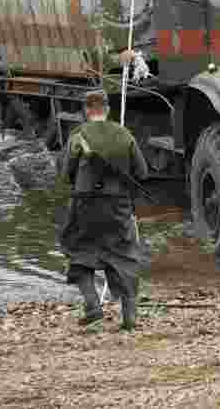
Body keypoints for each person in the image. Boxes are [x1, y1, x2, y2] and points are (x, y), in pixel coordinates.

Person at [58, 90, 149, 331]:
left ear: (87, 110)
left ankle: (93, 307)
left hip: (85, 204)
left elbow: (65, 175)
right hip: (118, 205)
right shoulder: (124, 134)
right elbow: (142, 172)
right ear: (107, 109)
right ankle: (129, 318)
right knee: (124, 255)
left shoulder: (78, 135)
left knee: (79, 251)